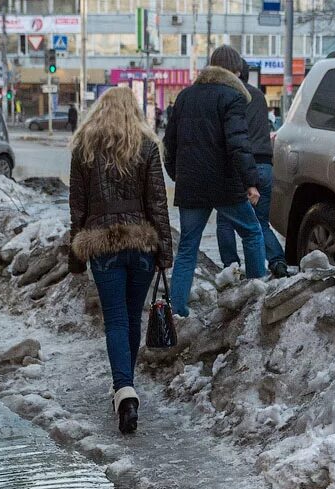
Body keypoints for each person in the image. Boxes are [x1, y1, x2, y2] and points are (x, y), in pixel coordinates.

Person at [68, 87, 173, 435]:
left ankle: (123, 390)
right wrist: (164, 251)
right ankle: (125, 386)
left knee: (115, 319)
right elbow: (158, 203)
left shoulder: (84, 147)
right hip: (141, 242)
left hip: (102, 244)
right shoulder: (146, 146)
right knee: (131, 317)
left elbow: (77, 207)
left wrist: (75, 251)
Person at [163, 45, 266, 317]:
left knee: (187, 248)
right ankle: (258, 296)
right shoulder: (232, 98)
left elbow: (168, 145)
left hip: (192, 187)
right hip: (224, 186)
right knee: (252, 233)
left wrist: (179, 176)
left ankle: (177, 312)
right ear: (234, 71)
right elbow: (238, 144)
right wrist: (251, 182)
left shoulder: (184, 96)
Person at [216, 60, 290, 278]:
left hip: (243, 165)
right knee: (259, 223)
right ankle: (277, 261)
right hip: (265, 166)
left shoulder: (231, 96)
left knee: (225, 220)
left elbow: (234, 136)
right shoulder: (258, 95)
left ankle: (232, 267)